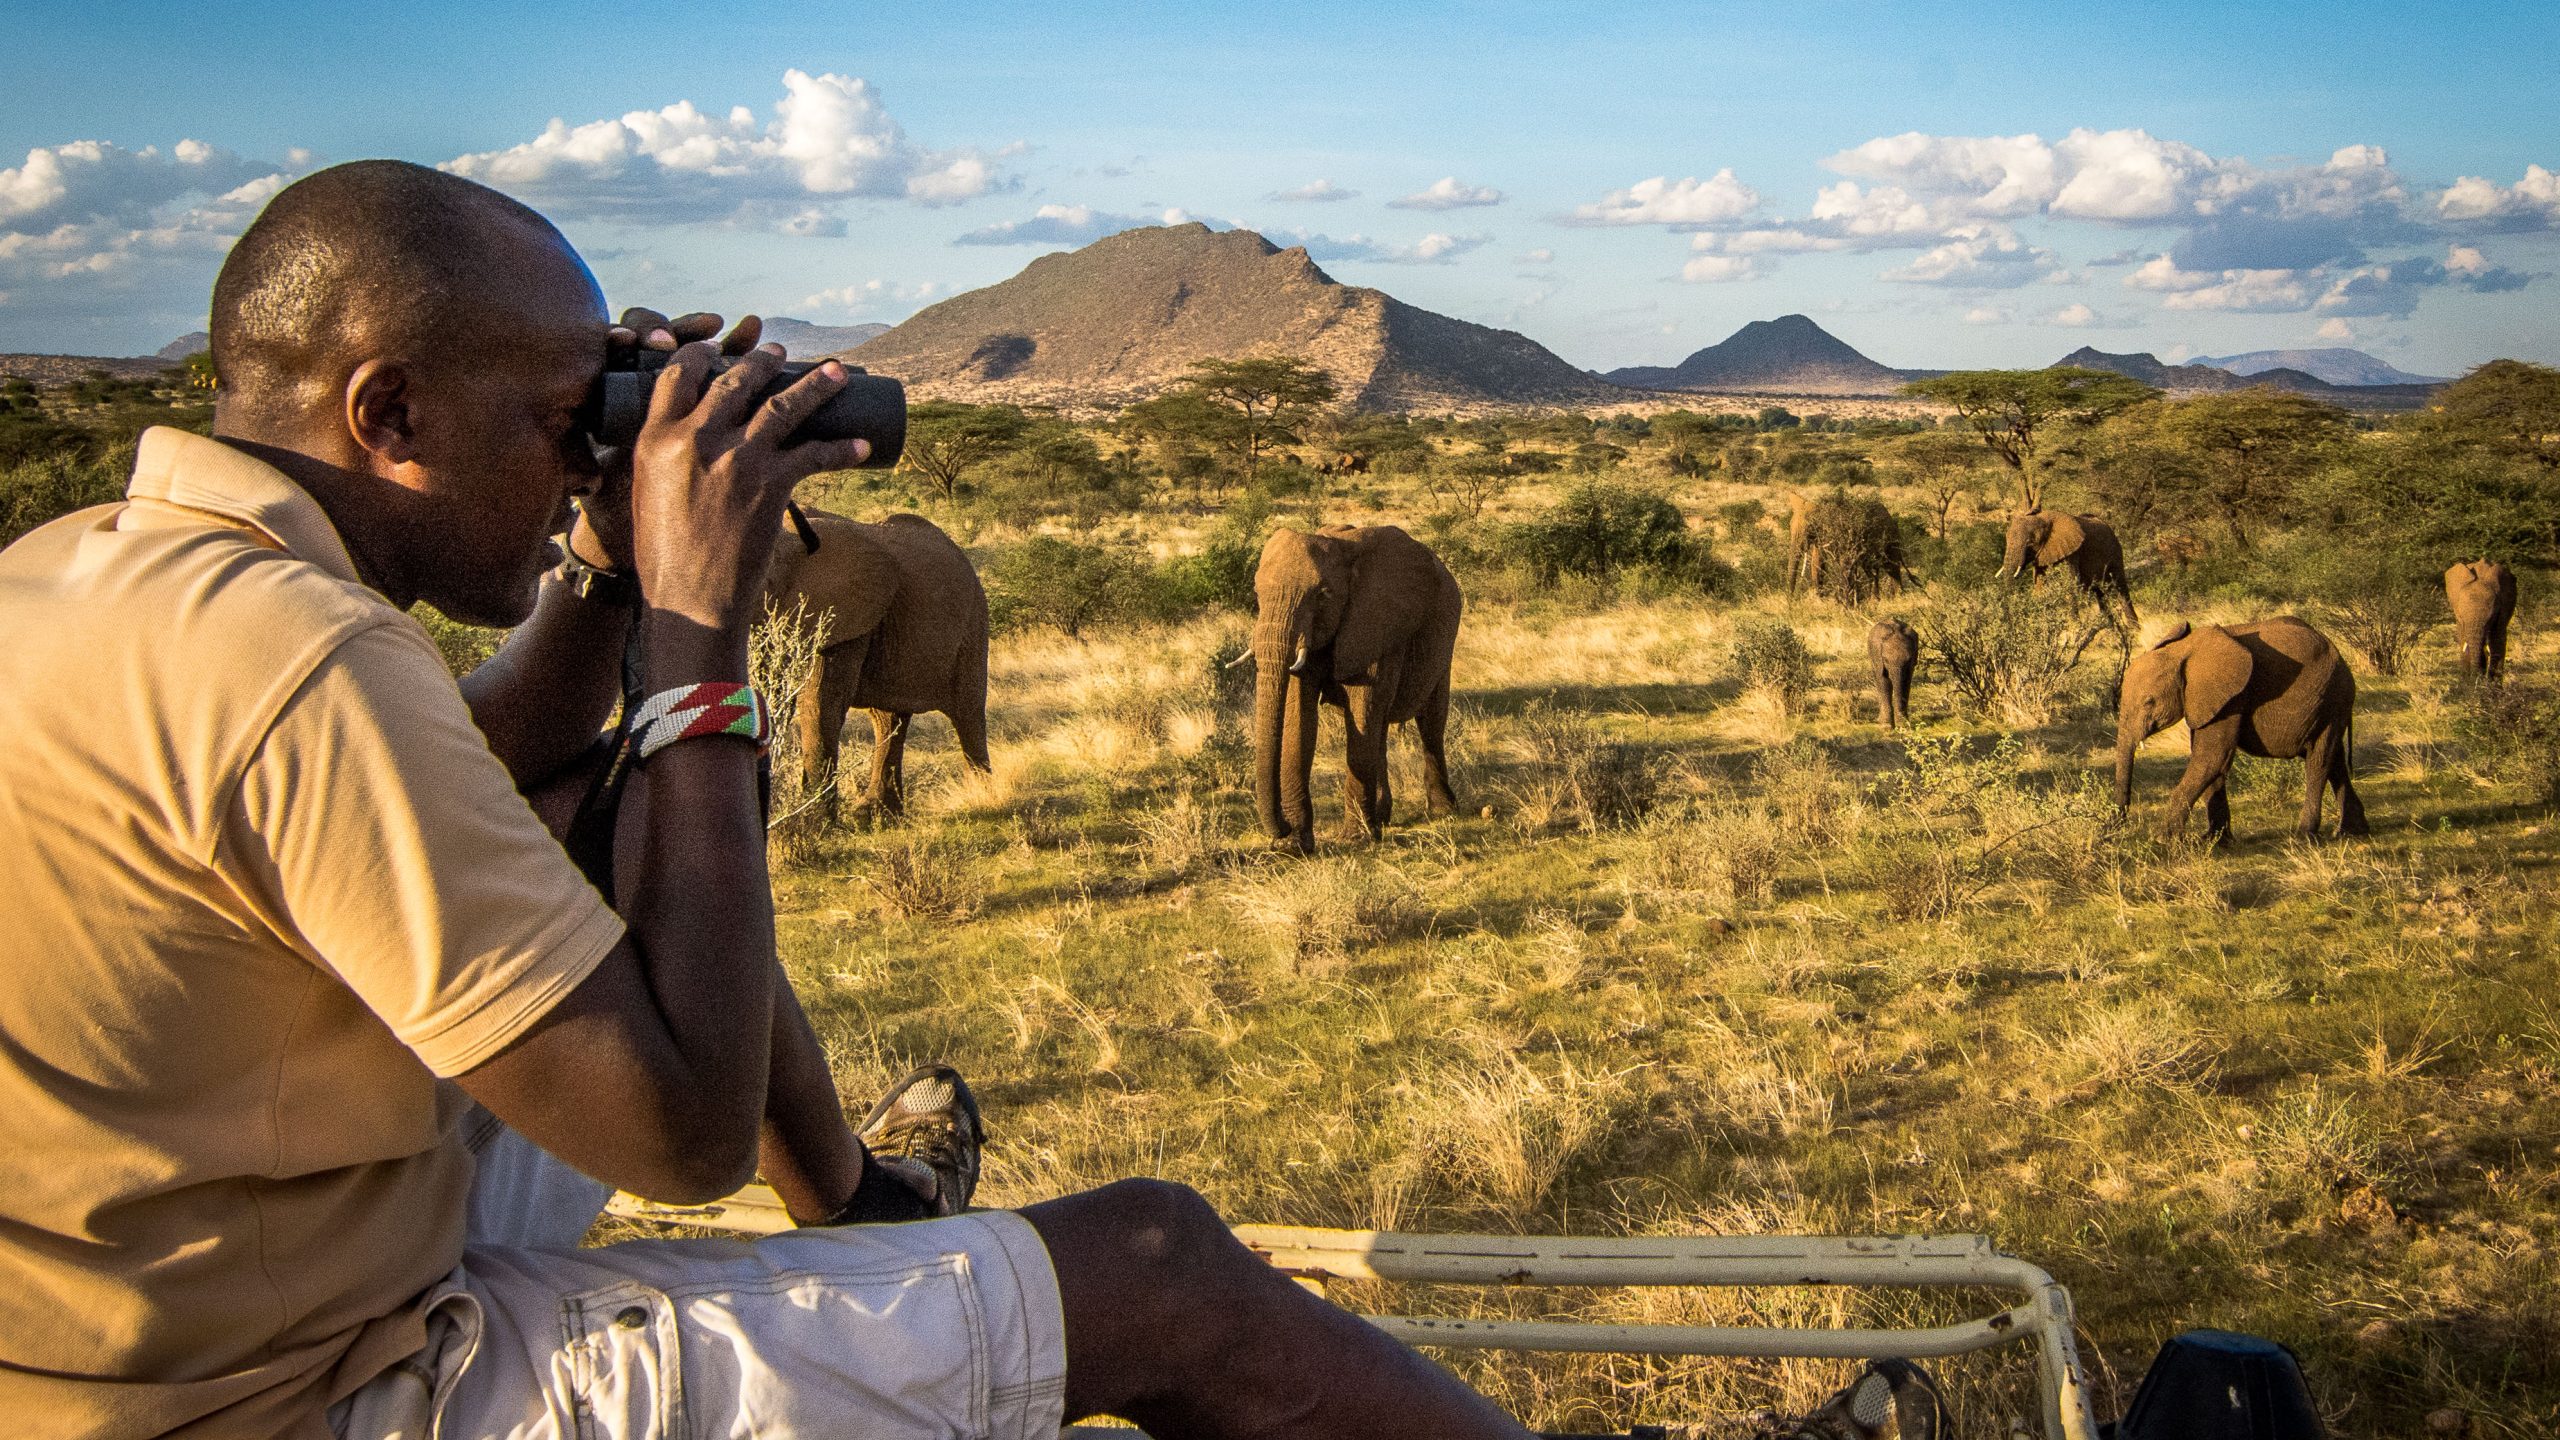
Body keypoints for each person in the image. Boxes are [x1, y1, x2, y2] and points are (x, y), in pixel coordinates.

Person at [0, 159, 1537, 1440]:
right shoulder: (306, 655)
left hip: (142, 1313)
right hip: (290, 1394)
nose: (578, 458)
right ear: (388, 416)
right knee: (1164, 1268)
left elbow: (488, 778)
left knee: (611, 843)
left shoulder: (96, 574)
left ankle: (867, 1208)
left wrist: (609, 563)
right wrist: (697, 622)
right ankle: (895, 1237)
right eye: (562, 419)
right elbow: (683, 1132)